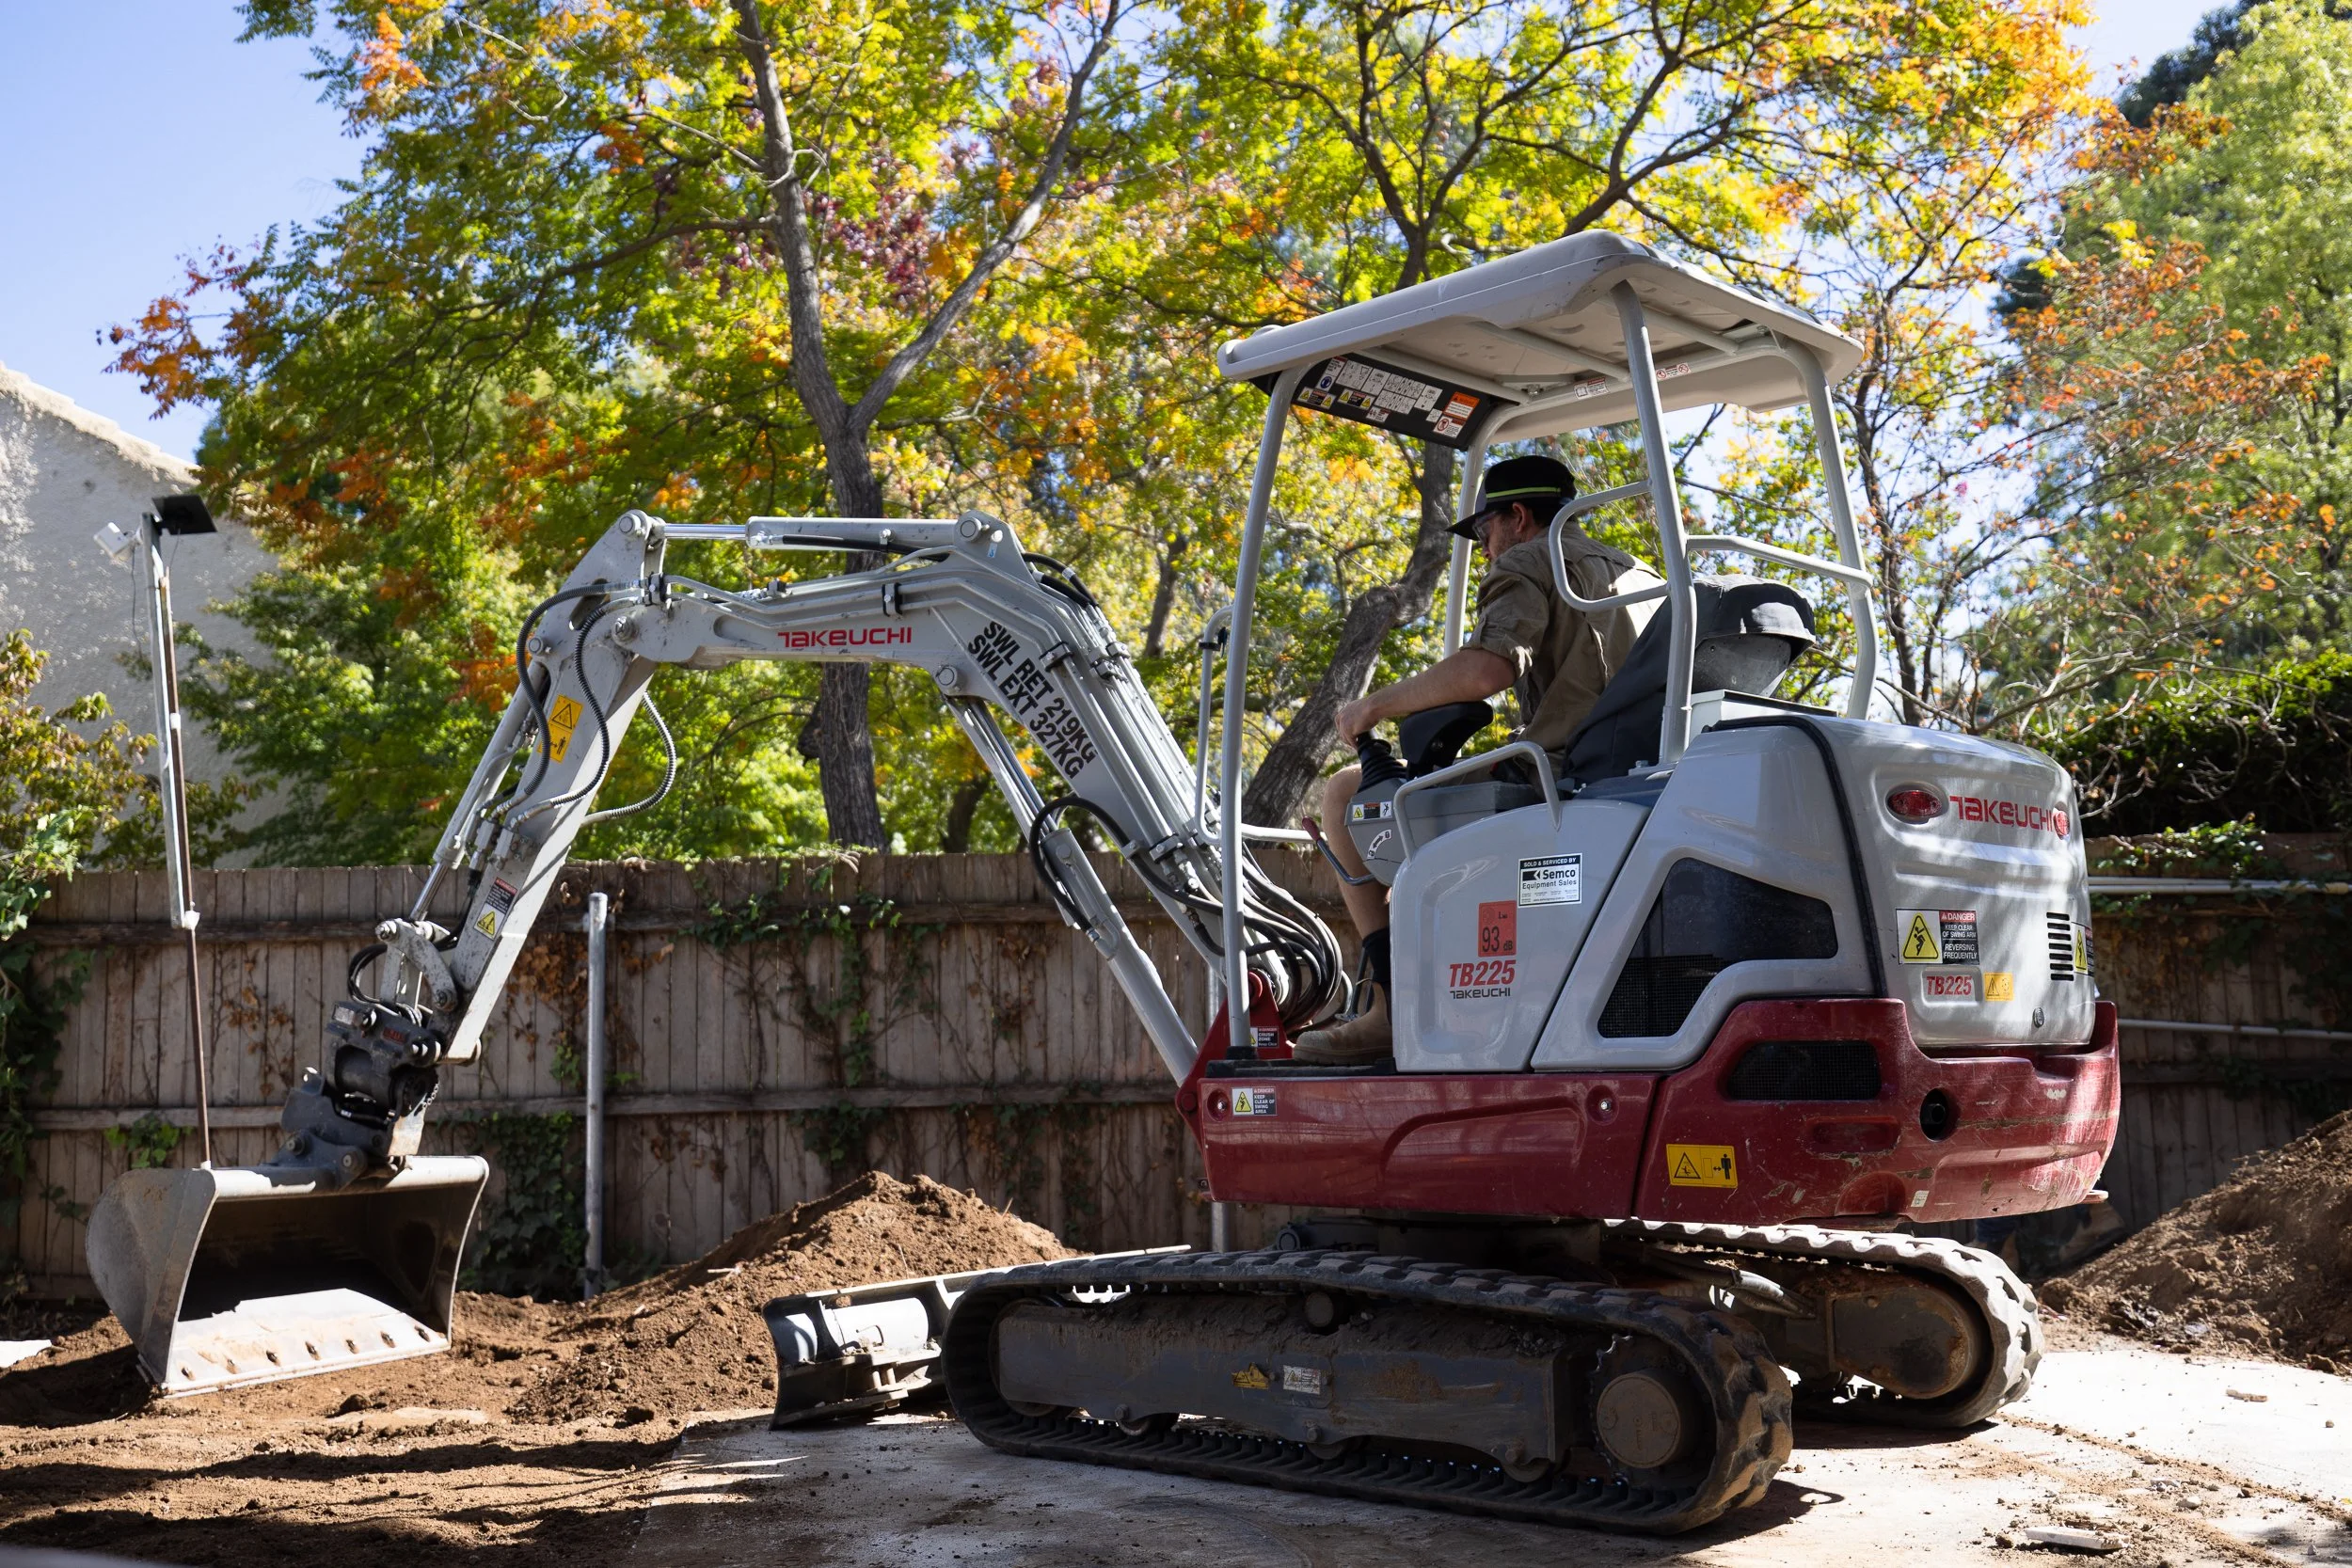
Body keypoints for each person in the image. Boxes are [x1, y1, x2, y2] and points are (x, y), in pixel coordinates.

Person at [1292, 453, 1662, 1065]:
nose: (1487, 549)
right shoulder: (1637, 571)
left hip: (1556, 786)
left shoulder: (1528, 560)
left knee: (1345, 794)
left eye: (1486, 530)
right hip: (1630, 783)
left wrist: (1373, 708)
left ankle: (1391, 1008)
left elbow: (1489, 666)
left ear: (1517, 517)